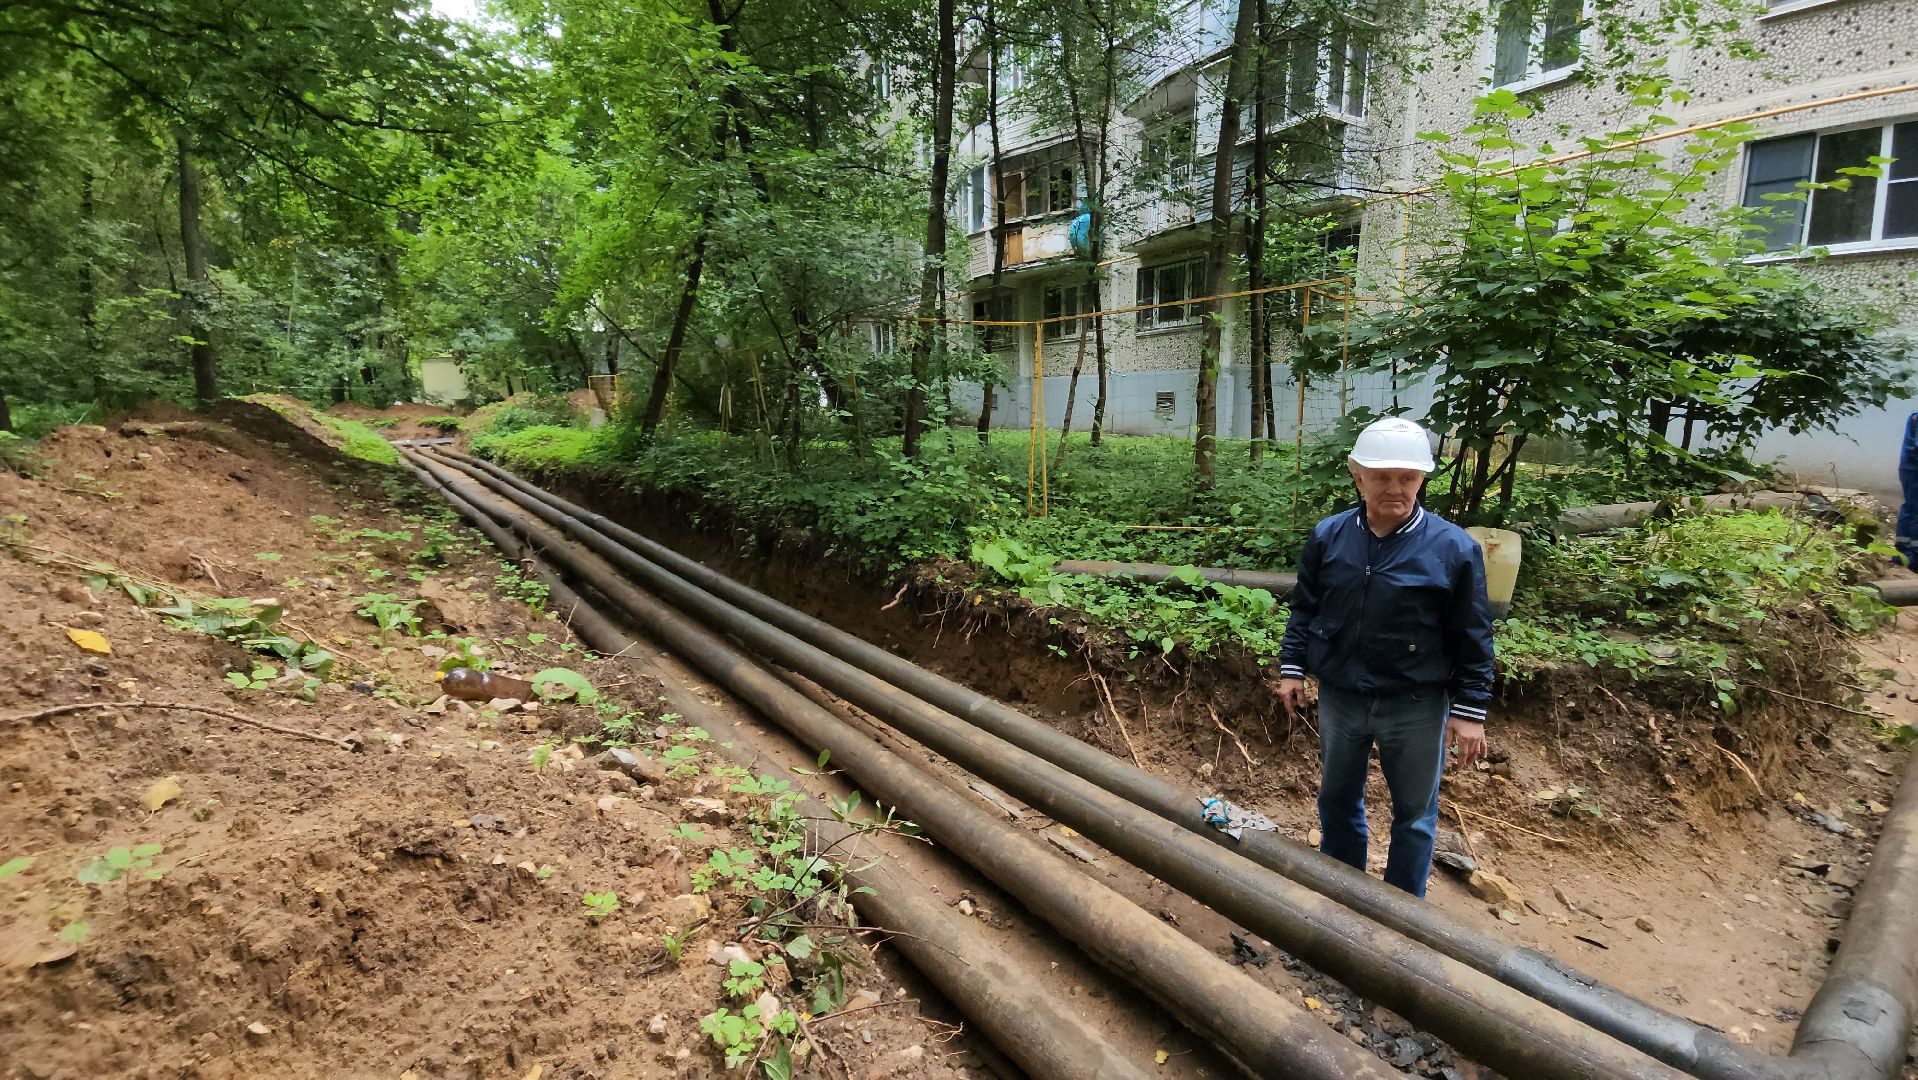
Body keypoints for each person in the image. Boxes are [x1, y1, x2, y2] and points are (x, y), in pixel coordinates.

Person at [1276, 417, 1495, 898]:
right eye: (1381, 477)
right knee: (1336, 799)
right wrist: (1292, 667)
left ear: (1422, 479)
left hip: (1415, 702)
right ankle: (1342, 895)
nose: (1395, 489)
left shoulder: (1454, 549)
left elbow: (1473, 634)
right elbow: (1306, 607)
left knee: (1415, 815)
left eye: (1408, 478)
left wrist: (1469, 711)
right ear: (1358, 476)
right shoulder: (1330, 537)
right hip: (1342, 695)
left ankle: (1400, 916)